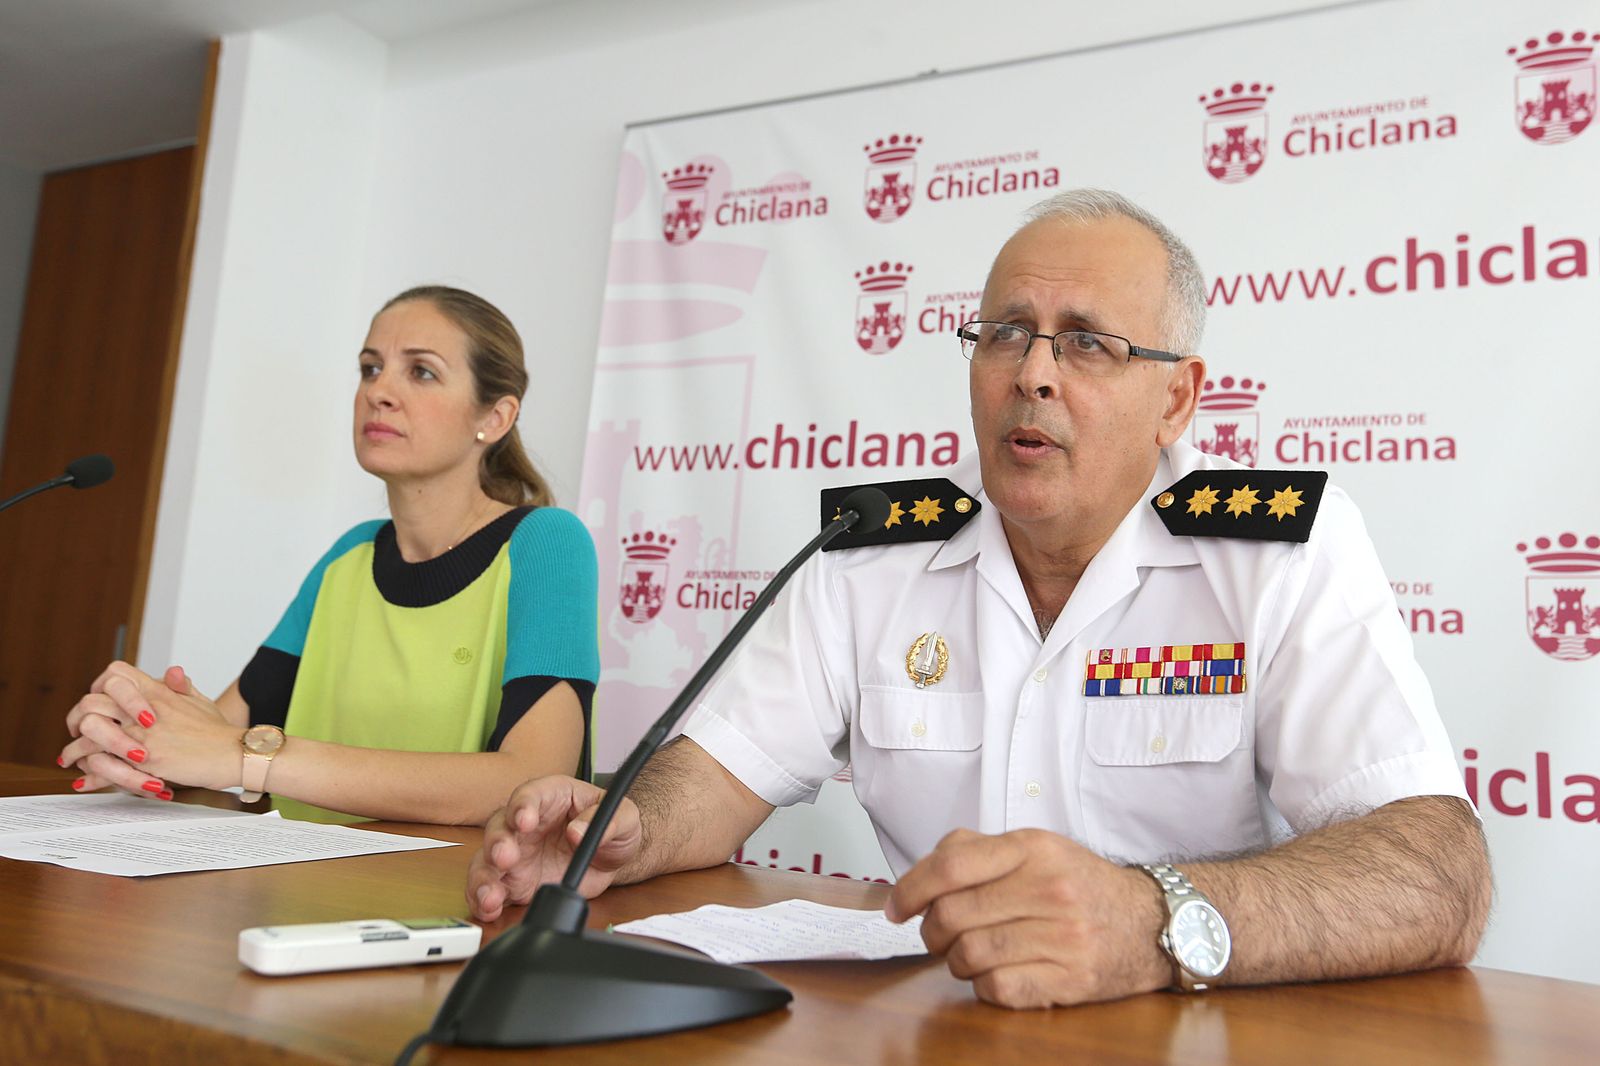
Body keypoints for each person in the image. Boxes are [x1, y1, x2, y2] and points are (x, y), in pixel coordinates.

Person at [465, 190, 1491, 1007]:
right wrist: (629, 827)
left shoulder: (1275, 552)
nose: (1032, 373)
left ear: (1176, 397)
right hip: (937, 1026)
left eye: (1086, 342)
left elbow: (1435, 873)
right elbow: (719, 770)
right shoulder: (871, 551)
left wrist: (1148, 920)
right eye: (1005, 333)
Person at [57, 286, 600, 825]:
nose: (379, 391)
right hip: (300, 872)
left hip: (440, 881)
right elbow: (218, 738)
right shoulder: (351, 555)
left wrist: (248, 755)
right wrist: (135, 729)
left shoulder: (546, 543)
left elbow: (535, 782)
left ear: (497, 417)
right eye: (370, 369)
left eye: (422, 372)